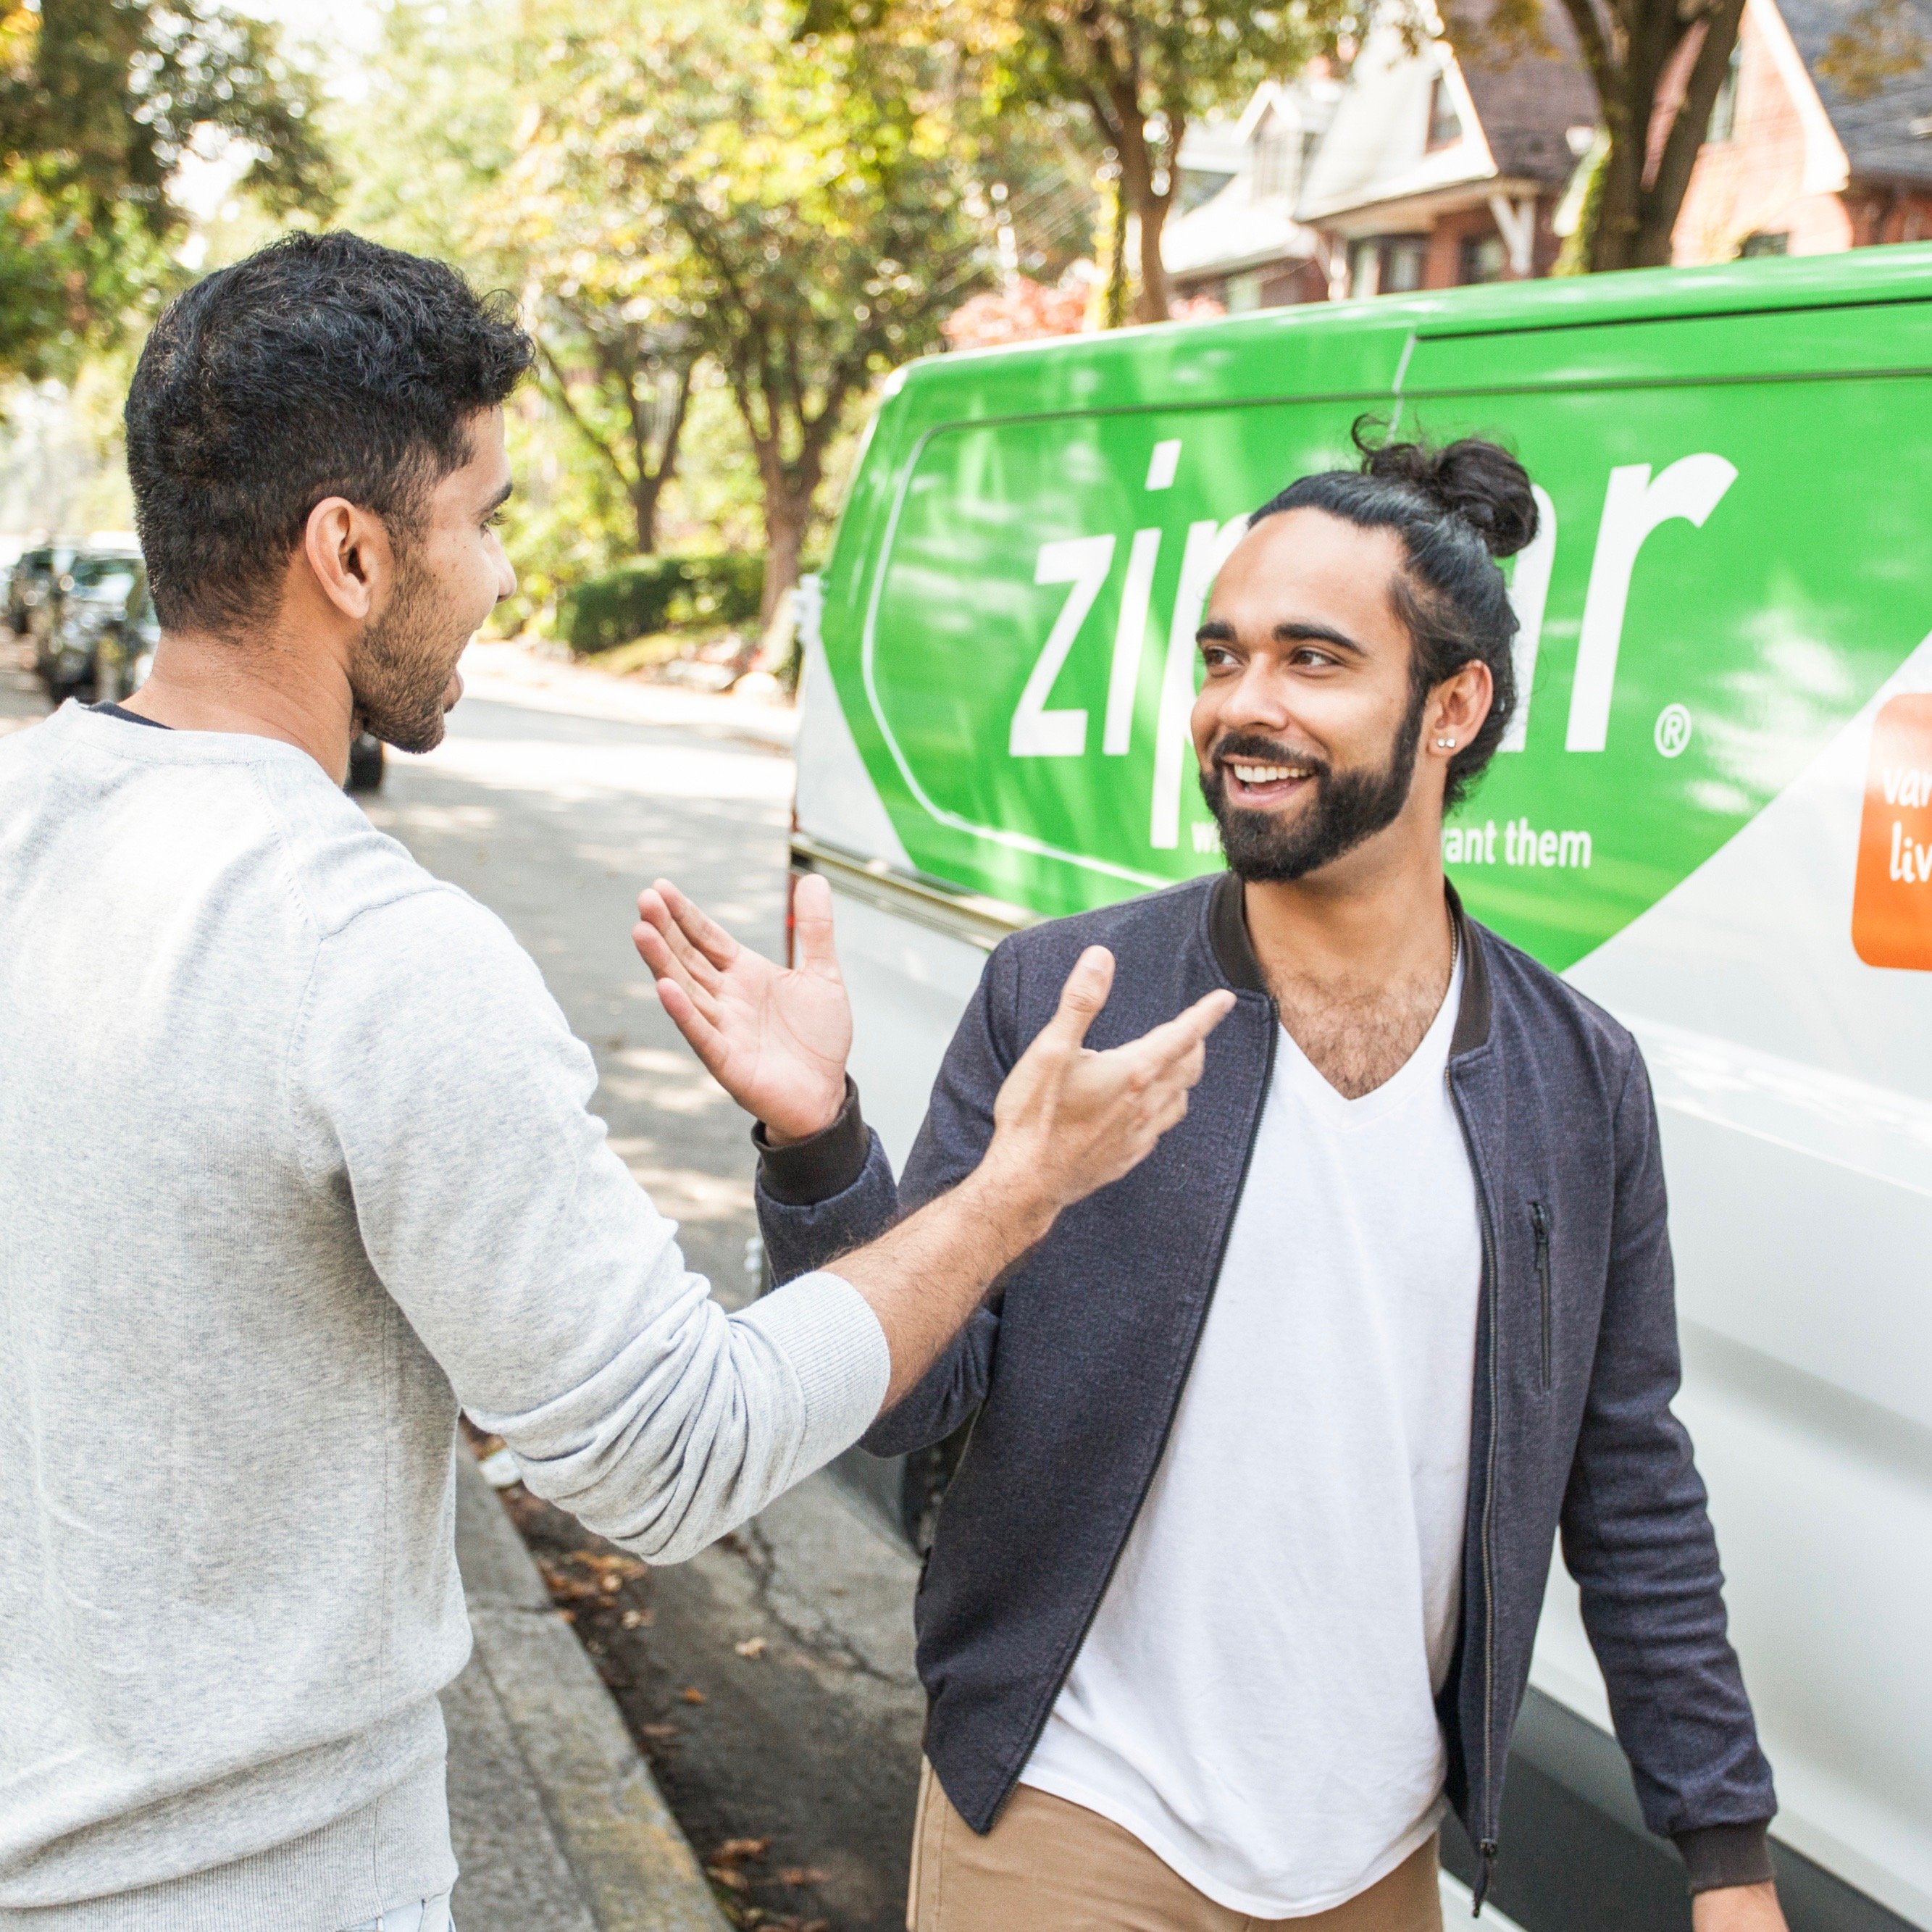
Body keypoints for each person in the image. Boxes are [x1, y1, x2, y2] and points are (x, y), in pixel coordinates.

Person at [0, 232, 1232, 1931]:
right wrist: (1017, 1182)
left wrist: (818, 1139)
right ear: (349, 553)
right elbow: (666, 1452)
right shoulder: (366, 946)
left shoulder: (27, 819)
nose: (501, 576)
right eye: (483, 516)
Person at [635, 429, 1791, 1932]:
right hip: (1069, 1808)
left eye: (1311, 660)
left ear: (1451, 705)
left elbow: (1625, 1476)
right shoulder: (1068, 992)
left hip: (1372, 1851)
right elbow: (910, 1398)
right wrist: (817, 1141)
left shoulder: (1573, 1078)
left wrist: (1726, 1857)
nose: (1242, 704)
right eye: (1221, 655)